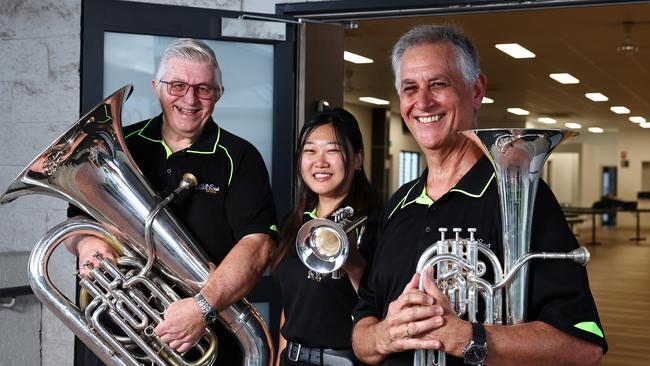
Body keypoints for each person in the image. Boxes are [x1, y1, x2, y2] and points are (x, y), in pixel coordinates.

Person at [351, 25, 607, 366]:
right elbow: (361, 330)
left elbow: (583, 346)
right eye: (410, 88)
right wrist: (385, 335)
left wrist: (468, 338)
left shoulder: (519, 198)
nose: (422, 101)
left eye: (438, 84)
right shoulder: (398, 204)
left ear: (476, 90)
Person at [66, 38, 277, 365]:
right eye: (177, 85)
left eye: (203, 89)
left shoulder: (240, 157)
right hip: (120, 337)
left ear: (218, 93)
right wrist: (86, 244)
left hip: (209, 342)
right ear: (157, 87)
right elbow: (78, 221)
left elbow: (258, 245)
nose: (190, 99)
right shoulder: (119, 146)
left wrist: (201, 307)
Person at [273, 108, 383, 366]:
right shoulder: (296, 221)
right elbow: (291, 307)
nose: (319, 162)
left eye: (332, 150)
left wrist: (352, 261)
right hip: (293, 359)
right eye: (309, 151)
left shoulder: (377, 223)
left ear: (357, 159)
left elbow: (383, 307)